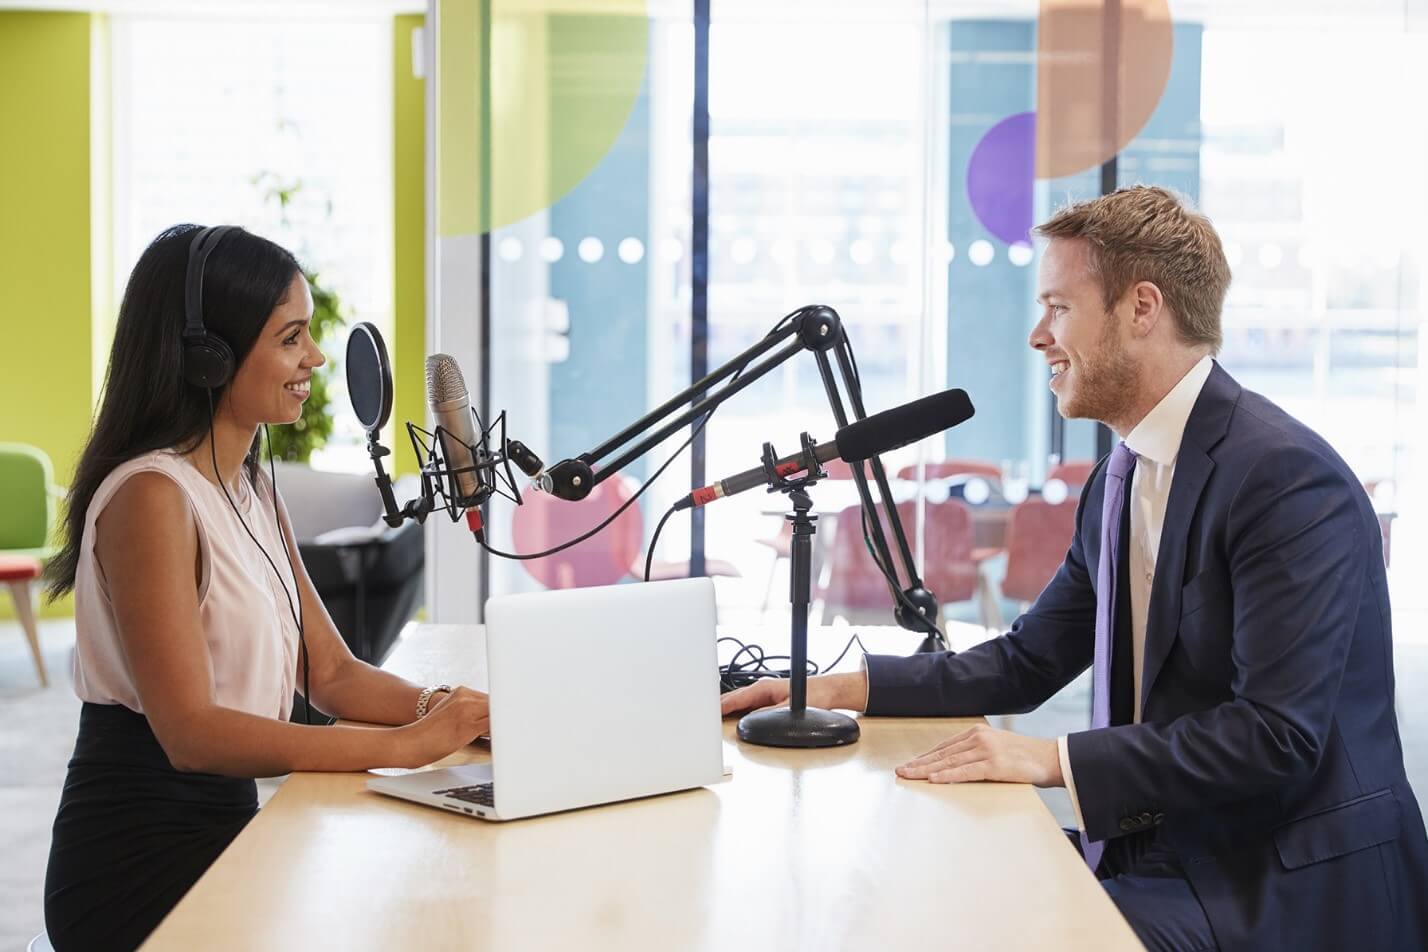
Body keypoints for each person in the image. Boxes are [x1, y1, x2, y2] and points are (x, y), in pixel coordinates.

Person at [722, 186, 1428, 951]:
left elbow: (1275, 736)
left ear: (1142, 308)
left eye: (1057, 307)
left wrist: (1049, 758)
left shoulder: (1285, 479)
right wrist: (838, 688)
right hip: (1160, 847)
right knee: (916, 878)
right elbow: (1029, 661)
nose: (1036, 335)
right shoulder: (1119, 477)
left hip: (1279, 882)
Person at [42, 225, 490, 952]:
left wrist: (452, 714)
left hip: (227, 824)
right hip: (138, 861)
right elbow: (191, 733)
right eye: (291, 337)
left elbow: (331, 671)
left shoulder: (247, 483)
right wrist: (408, 747)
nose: (314, 357)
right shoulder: (151, 497)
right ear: (208, 354)